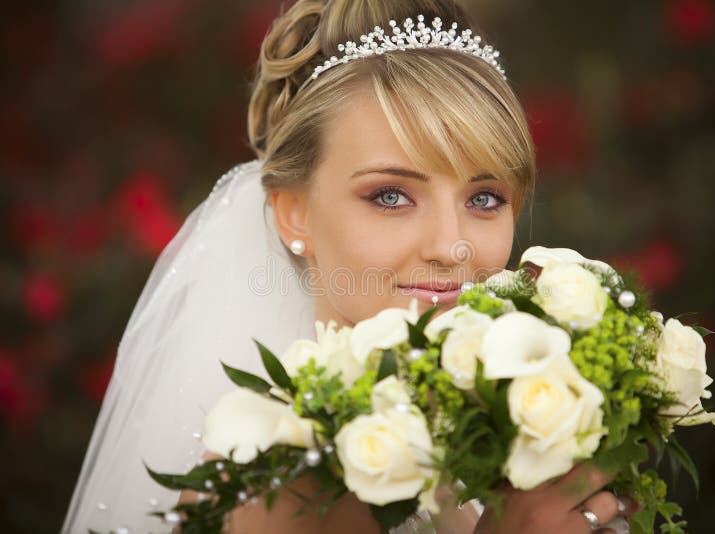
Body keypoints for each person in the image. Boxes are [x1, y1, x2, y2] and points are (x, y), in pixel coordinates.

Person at [63, 0, 638, 532]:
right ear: (293, 214)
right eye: (391, 195)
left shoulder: (510, 442)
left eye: (484, 198)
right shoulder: (272, 490)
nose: (452, 246)